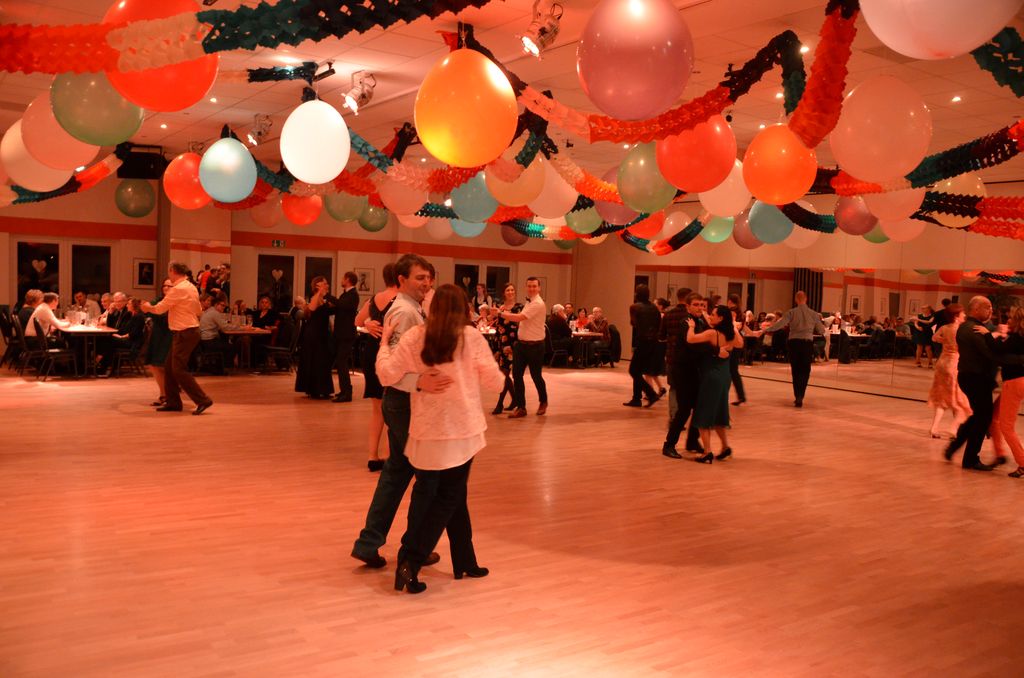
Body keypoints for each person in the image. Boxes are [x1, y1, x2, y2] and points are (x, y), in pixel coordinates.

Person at [377, 284, 505, 594]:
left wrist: (383, 343)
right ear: (463, 308)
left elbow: (386, 374)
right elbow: (497, 383)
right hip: (462, 431)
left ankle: (465, 559)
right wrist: (490, 367)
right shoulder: (470, 337)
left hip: (428, 431)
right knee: (447, 497)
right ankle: (411, 560)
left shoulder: (415, 336)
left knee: (453, 495)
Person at [352, 254, 446, 568]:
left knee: (396, 473)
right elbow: (393, 368)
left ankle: (369, 543)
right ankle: (414, 548)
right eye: (420, 277)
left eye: (428, 277)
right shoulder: (406, 312)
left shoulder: (410, 308)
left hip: (402, 401)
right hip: (405, 401)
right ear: (402, 279)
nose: (426, 283)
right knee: (428, 478)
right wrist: (420, 382)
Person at [141, 262, 213, 415]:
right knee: (169, 368)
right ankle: (173, 402)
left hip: (184, 332)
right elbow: (198, 310)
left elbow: (159, 309)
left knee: (178, 369)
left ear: (172, 271)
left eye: (169, 272)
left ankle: (203, 400)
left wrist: (147, 307)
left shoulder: (178, 289)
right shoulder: (191, 287)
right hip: (188, 331)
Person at [944, 296, 999, 471]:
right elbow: (990, 353)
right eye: (987, 307)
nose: (991, 310)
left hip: (972, 377)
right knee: (983, 418)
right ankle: (970, 459)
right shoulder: (974, 329)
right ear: (975, 309)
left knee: (979, 416)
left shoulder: (969, 326)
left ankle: (955, 448)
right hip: (976, 378)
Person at [686, 305, 744, 463]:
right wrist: (733, 326)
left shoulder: (712, 334)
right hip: (724, 377)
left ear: (720, 318)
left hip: (711, 377)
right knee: (719, 413)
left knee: (703, 415)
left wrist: (691, 327)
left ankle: (707, 452)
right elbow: (740, 343)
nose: (710, 316)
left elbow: (690, 339)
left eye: (713, 314)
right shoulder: (731, 335)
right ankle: (725, 447)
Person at [356, 264, 399, 472]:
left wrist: (367, 322)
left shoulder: (374, 299)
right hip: (390, 352)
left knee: (377, 409)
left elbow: (357, 320)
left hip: (372, 353)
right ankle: (389, 456)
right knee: (392, 407)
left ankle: (373, 456)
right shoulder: (402, 299)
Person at [662, 293, 708, 458]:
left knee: (698, 407)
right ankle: (669, 445)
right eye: (696, 304)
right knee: (684, 409)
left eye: (701, 305)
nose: (699, 308)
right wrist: (715, 349)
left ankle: (692, 441)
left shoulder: (700, 322)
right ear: (688, 306)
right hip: (682, 370)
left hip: (693, 370)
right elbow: (694, 345)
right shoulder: (686, 322)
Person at [766, 291, 826, 407]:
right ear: (806, 299)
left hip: (794, 344)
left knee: (796, 369)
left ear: (796, 300)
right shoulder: (813, 314)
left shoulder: (791, 312)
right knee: (805, 370)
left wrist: (766, 330)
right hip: (807, 344)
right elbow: (821, 330)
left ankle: (797, 395)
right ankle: (801, 395)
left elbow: (780, 324)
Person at [500, 277, 548, 418]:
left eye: (534, 286)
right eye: (529, 286)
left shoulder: (538, 303)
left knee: (536, 376)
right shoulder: (529, 302)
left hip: (536, 346)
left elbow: (520, 317)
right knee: (517, 375)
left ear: (539, 288)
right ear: (526, 287)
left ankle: (543, 401)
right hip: (521, 345)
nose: (531, 288)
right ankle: (521, 407)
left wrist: (500, 313)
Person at [927, 303, 971, 439]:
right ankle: (953, 429)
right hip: (954, 364)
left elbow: (934, 338)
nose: (964, 315)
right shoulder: (961, 330)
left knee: (942, 398)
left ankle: (934, 428)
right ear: (956, 316)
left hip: (942, 363)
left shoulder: (944, 327)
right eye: (962, 313)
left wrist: (945, 341)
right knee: (960, 401)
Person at [991, 307, 1024, 478]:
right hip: (1016, 382)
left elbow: (997, 350)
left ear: (1017, 321)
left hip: (1014, 382)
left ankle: (1023, 462)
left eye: (1010, 318)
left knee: (1006, 426)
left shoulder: (1016, 338)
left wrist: (995, 334)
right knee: (994, 417)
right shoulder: (1016, 337)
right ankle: (1000, 454)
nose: (1008, 321)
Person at [295, 276, 335, 399]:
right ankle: (315, 390)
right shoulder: (315, 298)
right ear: (317, 286)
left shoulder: (324, 300)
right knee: (316, 360)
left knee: (322, 361)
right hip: (313, 334)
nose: (327, 285)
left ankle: (322, 389)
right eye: (324, 283)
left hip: (321, 334)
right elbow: (311, 309)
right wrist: (319, 292)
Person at [624, 284, 661, 407]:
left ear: (637, 294)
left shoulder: (635, 307)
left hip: (642, 341)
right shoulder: (654, 308)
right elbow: (658, 324)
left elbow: (633, 323)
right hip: (653, 342)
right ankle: (636, 398)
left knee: (633, 371)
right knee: (638, 371)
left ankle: (651, 394)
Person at [659, 287, 691, 421]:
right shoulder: (690, 316)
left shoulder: (668, 314)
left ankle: (674, 416)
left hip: (672, 355)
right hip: (688, 357)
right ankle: (684, 415)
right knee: (688, 388)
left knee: (673, 387)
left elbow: (661, 336)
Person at [492, 282, 520, 414]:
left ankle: (500, 403)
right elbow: (497, 325)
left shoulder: (519, 307)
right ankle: (515, 399)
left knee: (504, 374)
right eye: (508, 290)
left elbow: (521, 324)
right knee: (504, 374)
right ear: (504, 293)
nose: (510, 292)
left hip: (512, 344)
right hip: (501, 343)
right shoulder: (500, 307)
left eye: (512, 290)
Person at [145, 280, 174, 407]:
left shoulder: (175, 301)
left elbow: (161, 315)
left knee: (165, 366)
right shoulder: (159, 300)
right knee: (154, 365)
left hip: (169, 334)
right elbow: (148, 307)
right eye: (164, 285)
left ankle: (169, 395)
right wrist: (149, 308)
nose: (166, 287)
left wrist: (150, 309)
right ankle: (163, 394)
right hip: (158, 334)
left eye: (169, 285)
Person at [332, 271, 360, 403]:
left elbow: (341, 305)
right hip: (342, 334)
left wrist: (327, 296)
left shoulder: (353, 295)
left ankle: (347, 393)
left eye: (343, 278)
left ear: (348, 279)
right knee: (340, 363)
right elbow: (339, 307)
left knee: (342, 363)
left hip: (347, 334)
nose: (341, 280)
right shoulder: (346, 294)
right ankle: (344, 390)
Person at [199, 293, 236, 373]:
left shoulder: (208, 311)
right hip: (209, 341)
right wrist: (242, 328)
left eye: (224, 306)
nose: (224, 307)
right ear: (216, 305)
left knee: (226, 344)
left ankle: (220, 367)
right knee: (231, 347)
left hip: (203, 341)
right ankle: (225, 369)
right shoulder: (215, 313)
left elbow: (219, 326)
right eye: (222, 305)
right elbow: (225, 327)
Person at [644, 298, 669, 398]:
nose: (653, 305)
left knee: (648, 370)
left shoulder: (660, 316)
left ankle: (650, 393)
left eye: (655, 304)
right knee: (652, 370)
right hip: (658, 345)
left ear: (660, 306)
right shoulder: (661, 316)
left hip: (656, 345)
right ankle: (661, 388)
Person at [726, 294, 747, 405]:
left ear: (729, 301)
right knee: (733, 370)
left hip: (732, 341)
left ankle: (739, 395)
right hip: (739, 341)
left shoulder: (731, 312)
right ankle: (740, 395)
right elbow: (743, 328)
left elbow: (730, 326)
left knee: (731, 370)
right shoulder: (742, 313)